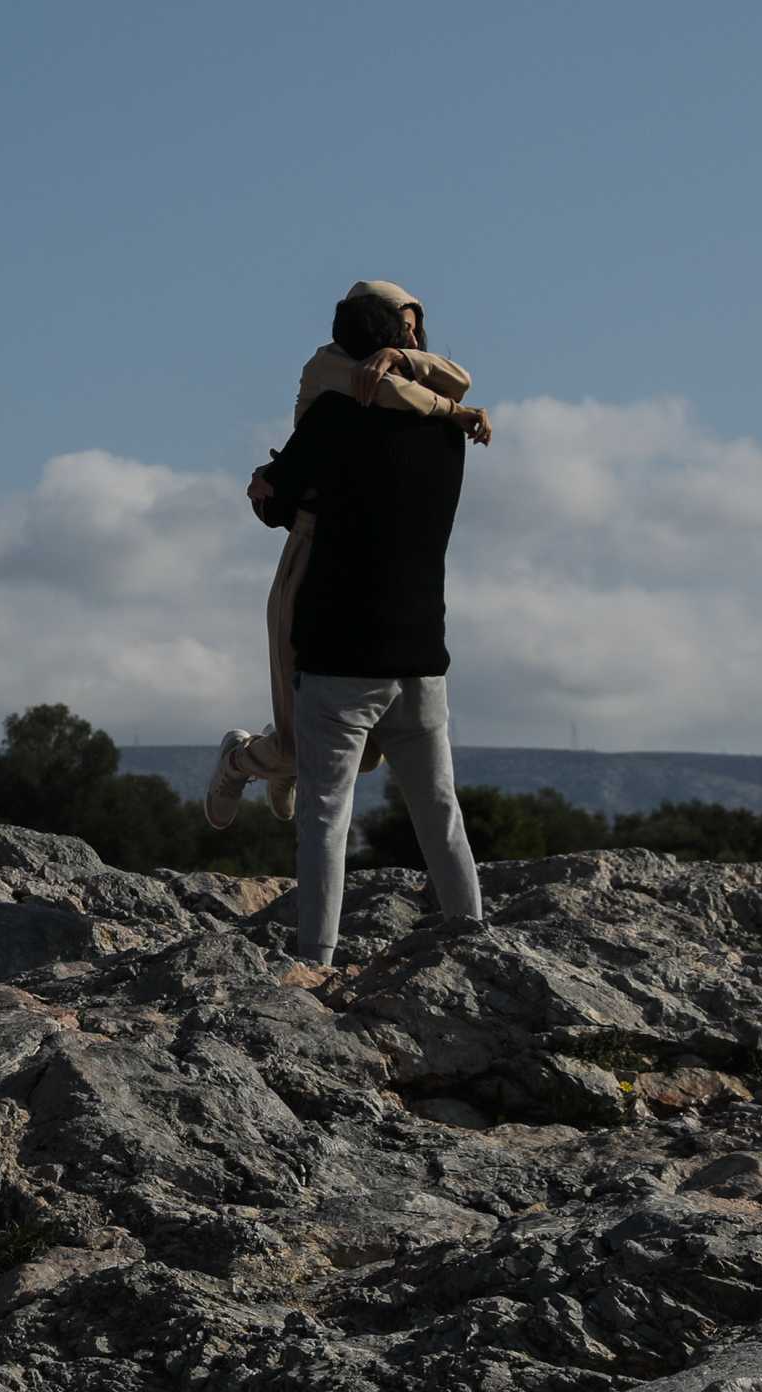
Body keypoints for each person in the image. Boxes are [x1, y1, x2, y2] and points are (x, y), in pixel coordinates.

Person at [246, 287, 486, 967]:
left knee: (325, 815)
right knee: (439, 812)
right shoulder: (449, 429)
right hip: (420, 651)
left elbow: (277, 504)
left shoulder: (331, 419)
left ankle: (317, 959)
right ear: (406, 344)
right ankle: (470, 937)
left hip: (339, 649)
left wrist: (267, 487)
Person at [206, 282, 490, 829]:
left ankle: (274, 763)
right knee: (307, 743)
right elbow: (390, 396)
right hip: (314, 552)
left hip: (371, 576)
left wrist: (413, 365)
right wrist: (453, 412)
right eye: (401, 326)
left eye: (414, 325)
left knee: (366, 753)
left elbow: (457, 376)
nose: (411, 334)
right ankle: (240, 762)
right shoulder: (337, 376)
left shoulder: (412, 369)